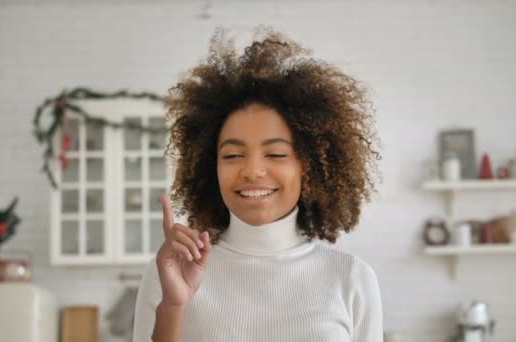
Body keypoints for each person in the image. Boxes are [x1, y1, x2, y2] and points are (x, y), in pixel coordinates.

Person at [133, 27, 383, 342]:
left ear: (308, 167)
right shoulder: (170, 274)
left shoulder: (351, 278)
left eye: (276, 154)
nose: (252, 171)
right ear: (213, 168)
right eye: (233, 154)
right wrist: (174, 305)